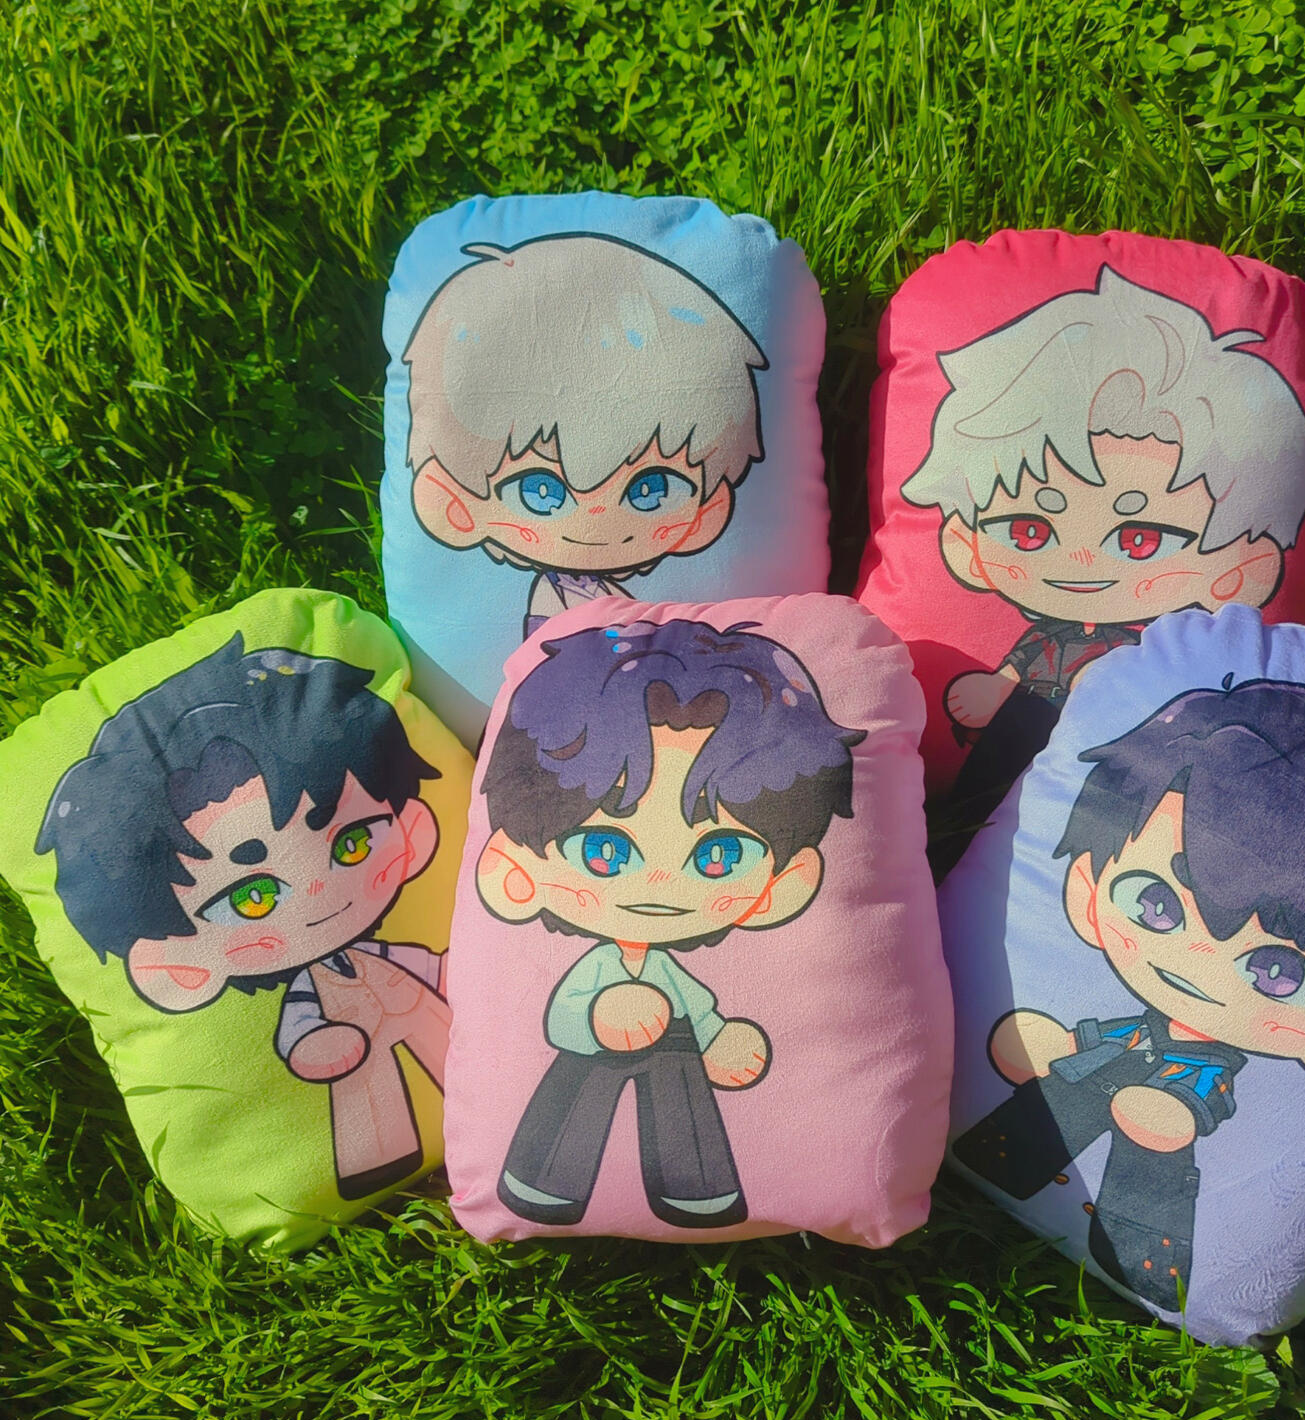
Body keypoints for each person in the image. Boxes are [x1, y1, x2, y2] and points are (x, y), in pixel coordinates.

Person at [951, 678, 1305, 1307]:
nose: (1195, 959)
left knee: (1154, 1132)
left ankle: (1145, 1262)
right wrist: (1066, 1044)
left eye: (1277, 972)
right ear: (1089, 890)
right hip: (1118, 1059)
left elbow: (1194, 1091)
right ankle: (1000, 1157)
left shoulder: (1210, 1067)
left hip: (1180, 1094)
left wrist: (1174, 1115)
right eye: (1154, 903)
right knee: (1074, 1082)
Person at [903, 267, 1305, 828]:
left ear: (1238, 569)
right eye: (1029, 530)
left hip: (1120, 770)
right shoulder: (1044, 640)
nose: (1080, 561)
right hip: (1012, 738)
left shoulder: (1150, 648)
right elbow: (1016, 670)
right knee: (1006, 747)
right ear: (965, 543)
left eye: (1139, 538)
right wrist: (994, 688)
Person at [475, 618, 863, 1228]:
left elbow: (696, 1007)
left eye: (720, 855)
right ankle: (544, 1182)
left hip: (670, 1044)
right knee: (580, 1078)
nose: (659, 883)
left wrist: (718, 1038)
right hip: (591, 1050)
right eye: (604, 851)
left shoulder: (666, 971)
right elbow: (562, 1017)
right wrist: (599, 1018)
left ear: (781, 887)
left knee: (679, 1057)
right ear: (515, 870)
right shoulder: (598, 967)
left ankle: (697, 1187)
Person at [37, 636, 450, 1199]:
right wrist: (315, 1045)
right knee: (367, 1094)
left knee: (457, 1047)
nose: (318, 892)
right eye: (252, 898)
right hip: (347, 1029)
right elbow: (302, 1026)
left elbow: (426, 965)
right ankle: (377, 1160)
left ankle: (491, 1093)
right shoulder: (309, 991)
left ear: (412, 832)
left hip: (412, 999)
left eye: (352, 843)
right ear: (176, 963)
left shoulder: (382, 948)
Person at [403, 234, 769, 639]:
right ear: (455, 507)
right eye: (541, 492)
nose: (597, 521)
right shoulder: (561, 612)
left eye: (651, 490)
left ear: (709, 509)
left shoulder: (586, 599)